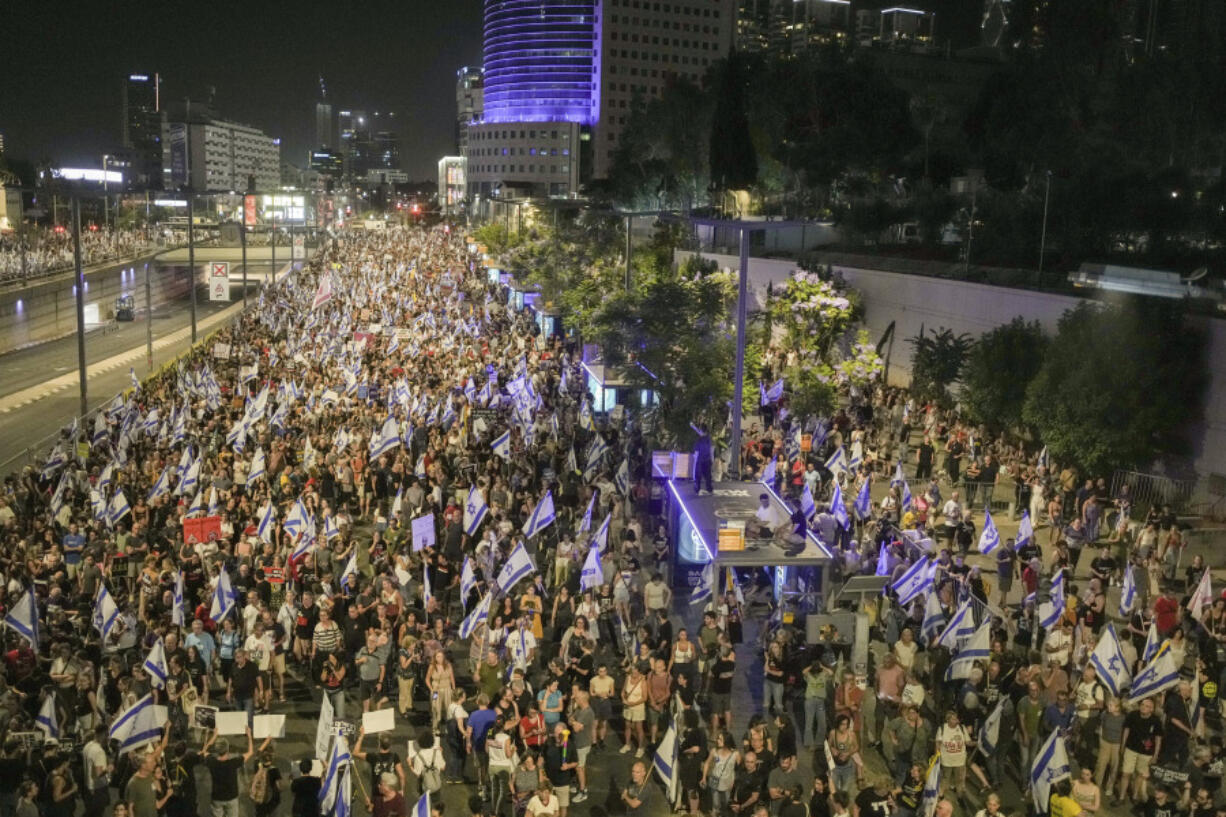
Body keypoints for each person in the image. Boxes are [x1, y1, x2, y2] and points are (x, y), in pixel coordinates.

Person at [201, 727, 261, 817]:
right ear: (227, 749)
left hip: (217, 797)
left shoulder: (211, 761)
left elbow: (204, 751)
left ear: (217, 751)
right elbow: (250, 752)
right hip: (231, 797)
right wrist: (249, 736)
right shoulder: (233, 763)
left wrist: (213, 737)